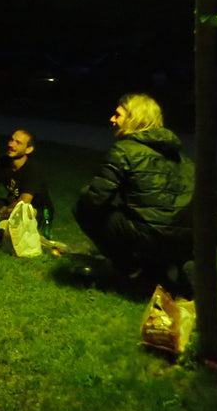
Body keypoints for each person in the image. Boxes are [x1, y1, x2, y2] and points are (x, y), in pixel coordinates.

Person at [74, 93, 194, 283]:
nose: (111, 119)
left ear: (134, 119)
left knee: (85, 206)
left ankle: (128, 267)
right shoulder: (181, 157)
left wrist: (88, 193)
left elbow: (95, 199)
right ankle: (171, 266)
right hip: (187, 237)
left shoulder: (125, 150)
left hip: (150, 235)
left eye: (118, 115)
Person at [0, 129, 53, 227]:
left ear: (29, 149)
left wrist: (1, 213)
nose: (11, 144)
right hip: (12, 204)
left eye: (18, 143)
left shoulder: (33, 168)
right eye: (11, 140)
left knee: (23, 212)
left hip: (35, 209)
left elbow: (24, 202)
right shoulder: (2, 162)